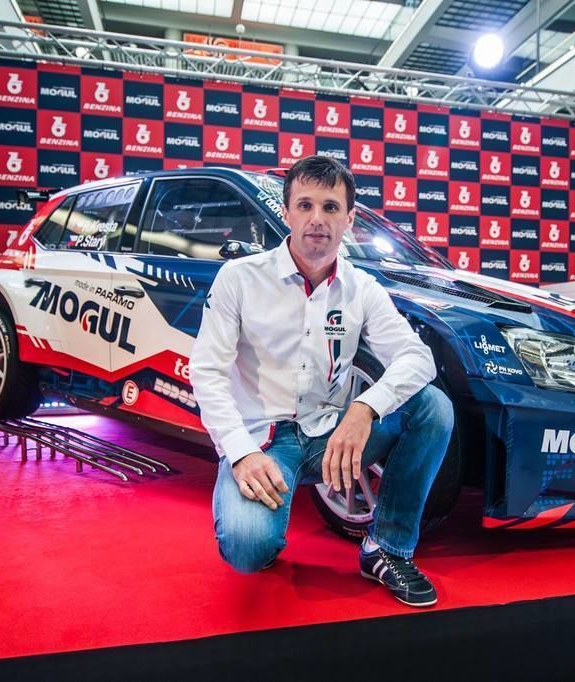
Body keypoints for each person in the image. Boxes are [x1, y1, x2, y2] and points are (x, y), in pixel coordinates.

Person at [189, 155, 454, 608]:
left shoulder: (362, 288)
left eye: (331, 207)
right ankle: (264, 518)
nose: (317, 219)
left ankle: (387, 549)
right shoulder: (239, 279)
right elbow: (208, 371)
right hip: (263, 440)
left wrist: (364, 408)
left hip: (330, 435)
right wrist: (241, 453)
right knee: (248, 548)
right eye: (305, 205)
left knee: (432, 407)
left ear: (348, 220)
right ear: (287, 213)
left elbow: (417, 358)